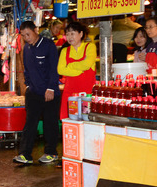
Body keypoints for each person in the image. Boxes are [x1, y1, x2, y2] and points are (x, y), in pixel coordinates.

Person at [13, 21, 60, 165]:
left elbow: (54, 68)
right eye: (23, 35)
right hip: (33, 92)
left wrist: (51, 88)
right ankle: (25, 154)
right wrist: (27, 85)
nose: (26, 37)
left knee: (50, 124)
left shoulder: (48, 45)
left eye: (28, 34)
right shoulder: (26, 48)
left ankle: (51, 152)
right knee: (30, 124)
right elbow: (26, 68)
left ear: (36, 30)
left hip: (49, 92)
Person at [57, 22, 97, 119]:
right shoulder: (64, 51)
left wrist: (70, 65)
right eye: (67, 34)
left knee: (87, 120)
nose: (70, 37)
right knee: (69, 121)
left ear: (81, 34)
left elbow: (87, 64)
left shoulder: (90, 47)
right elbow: (60, 70)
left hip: (86, 95)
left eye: (72, 33)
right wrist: (79, 70)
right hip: (70, 94)